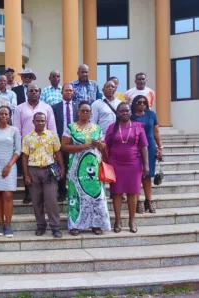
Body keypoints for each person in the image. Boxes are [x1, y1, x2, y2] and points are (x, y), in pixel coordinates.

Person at [61, 101, 111, 236]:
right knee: (75, 195)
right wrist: (81, 147)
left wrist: (99, 144)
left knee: (96, 195)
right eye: (82, 111)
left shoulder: (97, 128)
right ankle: (75, 225)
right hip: (76, 168)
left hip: (94, 168)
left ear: (91, 113)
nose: (85, 113)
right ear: (78, 112)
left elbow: (103, 146)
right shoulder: (70, 127)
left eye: (87, 111)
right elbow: (64, 146)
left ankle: (96, 224)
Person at [105, 102, 149, 234]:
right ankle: (117, 220)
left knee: (132, 192)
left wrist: (146, 164)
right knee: (117, 193)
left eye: (127, 111)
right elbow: (106, 146)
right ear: (117, 113)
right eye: (121, 111)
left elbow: (144, 146)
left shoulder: (138, 127)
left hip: (133, 164)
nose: (124, 113)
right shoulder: (112, 127)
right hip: (116, 164)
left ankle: (132, 220)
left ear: (131, 112)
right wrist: (105, 163)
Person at [22, 112, 64, 238]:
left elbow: (58, 153)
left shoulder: (52, 136)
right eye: (38, 121)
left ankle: (55, 227)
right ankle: (41, 226)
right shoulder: (27, 138)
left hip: (49, 170)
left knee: (51, 200)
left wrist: (62, 168)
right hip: (33, 170)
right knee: (36, 201)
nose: (40, 123)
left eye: (42, 121)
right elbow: (24, 157)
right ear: (33, 122)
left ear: (45, 122)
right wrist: (26, 175)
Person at [14, 83, 57, 204]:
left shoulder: (47, 107)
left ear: (39, 93)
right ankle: (28, 193)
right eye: (31, 90)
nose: (33, 92)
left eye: (36, 90)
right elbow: (17, 128)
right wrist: (19, 145)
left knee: (46, 170)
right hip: (28, 144)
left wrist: (54, 144)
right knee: (27, 169)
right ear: (26, 93)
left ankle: (46, 193)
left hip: (45, 144)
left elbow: (52, 127)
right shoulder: (19, 108)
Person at [0, 106, 21, 237]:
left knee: (8, 195)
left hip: (10, 165)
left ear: (10, 115)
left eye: (6, 114)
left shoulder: (14, 130)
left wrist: (9, 166)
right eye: (1, 114)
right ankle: (1, 225)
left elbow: (18, 150)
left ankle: (8, 225)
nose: (4, 116)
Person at [131, 95, 163, 214]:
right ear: (134, 103)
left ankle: (148, 201)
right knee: (137, 175)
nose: (142, 104)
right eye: (139, 102)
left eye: (144, 102)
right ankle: (137, 202)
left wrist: (160, 147)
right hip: (135, 148)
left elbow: (156, 131)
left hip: (150, 147)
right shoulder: (130, 116)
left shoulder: (151, 115)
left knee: (147, 175)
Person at [52, 83, 78, 202]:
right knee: (61, 167)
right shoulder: (54, 107)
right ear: (61, 92)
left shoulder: (78, 106)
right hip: (60, 142)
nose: (69, 92)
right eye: (66, 90)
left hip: (76, 143)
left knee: (75, 168)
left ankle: (75, 191)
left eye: (71, 91)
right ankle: (62, 191)